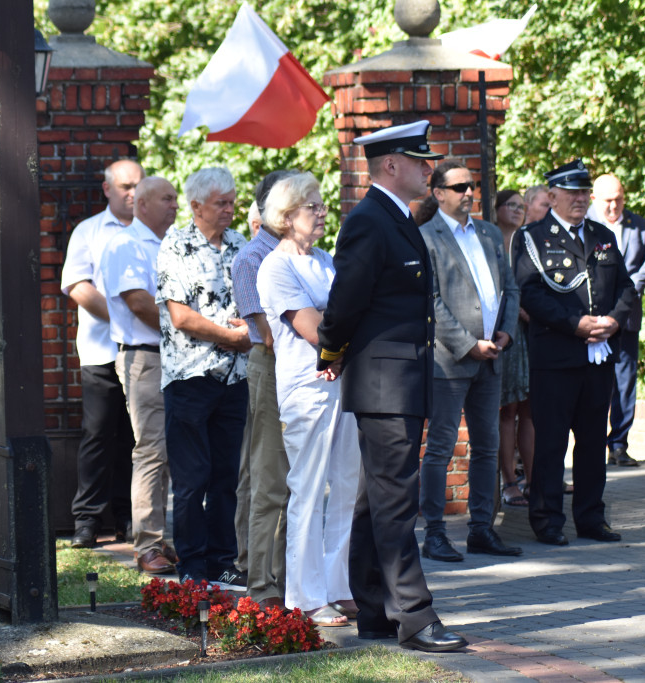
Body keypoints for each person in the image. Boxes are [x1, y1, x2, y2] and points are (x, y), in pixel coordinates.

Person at [316, 120, 467, 652]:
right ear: (390, 166)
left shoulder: (396, 218)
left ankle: (377, 610)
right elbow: (345, 301)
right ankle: (416, 616)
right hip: (384, 382)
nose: (430, 169)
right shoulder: (369, 221)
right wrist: (331, 350)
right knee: (395, 503)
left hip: (398, 381)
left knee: (375, 501)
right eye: (420, 161)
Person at [513, 159, 637, 546]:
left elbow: (625, 288)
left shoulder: (602, 235)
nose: (580, 199)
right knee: (551, 443)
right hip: (556, 357)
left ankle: (590, 517)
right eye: (572, 193)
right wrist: (576, 324)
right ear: (552, 196)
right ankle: (547, 520)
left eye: (584, 192)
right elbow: (530, 293)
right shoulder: (531, 237)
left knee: (591, 442)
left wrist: (613, 321)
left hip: (597, 357)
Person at [257, 172, 361, 627]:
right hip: (307, 387)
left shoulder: (325, 260)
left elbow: (351, 315)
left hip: (343, 379)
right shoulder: (276, 267)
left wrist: (342, 350)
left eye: (321, 205)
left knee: (346, 486)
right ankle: (304, 596)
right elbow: (313, 327)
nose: (322, 213)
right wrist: (337, 347)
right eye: (312, 207)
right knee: (309, 487)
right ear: (285, 216)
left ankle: (340, 586)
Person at [417, 161, 522, 562]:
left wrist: (505, 333)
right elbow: (432, 302)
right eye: (458, 186)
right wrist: (467, 344)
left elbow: (509, 288)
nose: (468, 192)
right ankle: (435, 534)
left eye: (471, 185)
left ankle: (482, 529)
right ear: (438, 193)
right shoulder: (426, 238)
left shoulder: (490, 233)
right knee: (441, 447)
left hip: (492, 356)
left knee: (488, 446)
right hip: (449, 360)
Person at [156, 166, 252, 586]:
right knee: (193, 479)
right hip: (189, 377)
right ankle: (192, 564)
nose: (230, 209)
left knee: (226, 478)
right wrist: (231, 336)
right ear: (196, 206)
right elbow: (181, 316)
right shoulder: (174, 244)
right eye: (221, 203)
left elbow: (256, 304)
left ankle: (222, 560)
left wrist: (247, 333)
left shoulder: (240, 245)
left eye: (232, 202)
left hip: (234, 378)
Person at [100, 176, 180, 574]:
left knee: (168, 452)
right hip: (145, 356)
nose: (175, 205)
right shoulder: (126, 244)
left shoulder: (170, 243)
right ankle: (146, 543)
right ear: (142, 204)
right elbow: (138, 303)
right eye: (166, 198)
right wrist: (186, 325)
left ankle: (159, 536)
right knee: (150, 450)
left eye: (176, 199)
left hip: (174, 356)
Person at [61, 158, 140, 548]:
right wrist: (123, 316)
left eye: (137, 185)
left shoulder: (153, 233)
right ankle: (87, 521)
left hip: (142, 350)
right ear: (107, 189)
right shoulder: (88, 231)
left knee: (135, 437)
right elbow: (77, 285)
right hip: (101, 349)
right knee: (97, 434)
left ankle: (129, 517)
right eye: (125, 186)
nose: (132, 193)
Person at [230, 170, 296, 610]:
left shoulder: (310, 255)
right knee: (266, 475)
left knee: (290, 478)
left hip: (301, 369)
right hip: (272, 366)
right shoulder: (252, 257)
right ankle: (262, 582)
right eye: (306, 202)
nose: (317, 210)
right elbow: (268, 334)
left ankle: (289, 575)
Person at [587, 174, 645, 467]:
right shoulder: (584, 225)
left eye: (619, 199)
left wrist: (629, 288)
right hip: (592, 319)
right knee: (593, 385)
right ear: (594, 199)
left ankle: (619, 444)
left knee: (626, 382)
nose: (614, 206)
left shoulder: (637, 224)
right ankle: (591, 444)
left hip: (626, 317)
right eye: (608, 200)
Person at [497, 189, 534, 508]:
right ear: (496, 209)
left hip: (532, 331)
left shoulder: (529, 241)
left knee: (530, 408)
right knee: (506, 408)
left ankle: (534, 479)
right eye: (510, 205)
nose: (517, 210)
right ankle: (509, 482)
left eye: (521, 206)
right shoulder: (491, 242)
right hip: (505, 332)